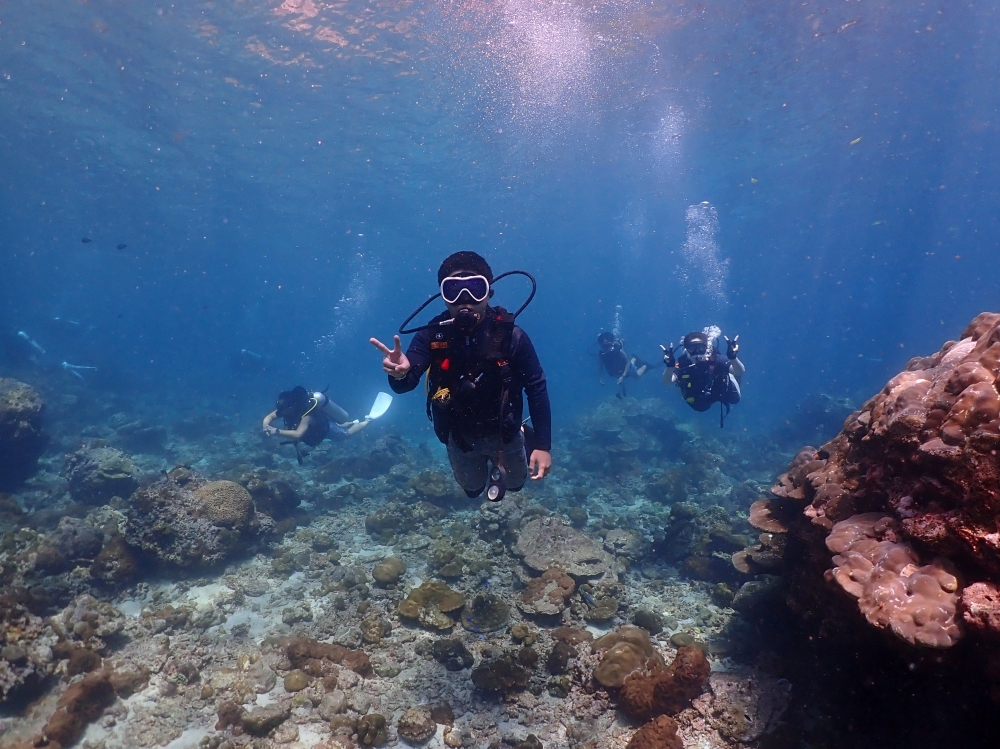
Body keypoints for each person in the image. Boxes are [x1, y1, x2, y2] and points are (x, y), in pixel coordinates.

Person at [370, 251, 552, 500]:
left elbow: (536, 386)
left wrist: (542, 445)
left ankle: (524, 434)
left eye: (475, 288)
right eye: (453, 290)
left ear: (489, 293)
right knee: (472, 490)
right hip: (459, 436)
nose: (464, 300)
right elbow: (405, 384)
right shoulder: (432, 335)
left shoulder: (511, 336)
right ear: (443, 297)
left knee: (516, 485)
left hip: (505, 432)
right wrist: (399, 373)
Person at [262, 386, 372, 463]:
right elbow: (269, 417)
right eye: (280, 408)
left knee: (345, 435)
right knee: (340, 425)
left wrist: (276, 431)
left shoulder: (306, 414)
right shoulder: (286, 409)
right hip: (315, 428)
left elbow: (298, 434)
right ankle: (352, 422)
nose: (281, 412)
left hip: (324, 428)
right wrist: (265, 426)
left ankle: (368, 420)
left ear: (291, 407)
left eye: (283, 409)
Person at [662, 327, 744, 425]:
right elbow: (668, 381)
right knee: (699, 408)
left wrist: (733, 358)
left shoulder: (718, 360)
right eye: (692, 348)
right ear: (687, 350)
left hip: (720, 391)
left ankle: (729, 377)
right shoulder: (683, 364)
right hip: (699, 398)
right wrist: (669, 366)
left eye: (701, 348)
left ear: (707, 348)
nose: (697, 353)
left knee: (735, 399)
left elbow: (739, 372)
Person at [597, 331, 651, 399]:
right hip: (616, 371)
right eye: (604, 346)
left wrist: (623, 376)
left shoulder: (618, 349)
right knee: (621, 379)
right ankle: (633, 360)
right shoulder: (601, 355)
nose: (606, 348)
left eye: (607, 346)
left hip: (625, 368)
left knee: (636, 376)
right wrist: (600, 378)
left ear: (611, 343)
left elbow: (627, 361)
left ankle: (645, 366)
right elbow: (600, 366)